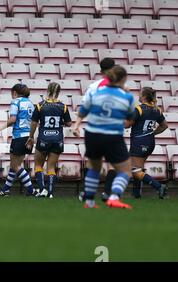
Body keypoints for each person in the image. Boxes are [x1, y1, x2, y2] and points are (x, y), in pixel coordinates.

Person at [72, 66, 135, 209]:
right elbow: (130, 116)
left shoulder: (95, 92)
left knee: (94, 167)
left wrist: (76, 125)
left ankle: (89, 202)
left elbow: (83, 110)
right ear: (123, 79)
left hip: (92, 134)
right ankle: (114, 197)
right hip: (112, 135)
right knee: (125, 171)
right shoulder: (127, 96)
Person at [27, 82, 72, 198]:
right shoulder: (64, 106)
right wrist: (61, 122)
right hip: (57, 139)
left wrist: (31, 136)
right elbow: (69, 123)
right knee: (51, 167)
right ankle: (51, 192)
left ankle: (42, 190)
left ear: (48, 90)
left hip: (43, 138)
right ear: (59, 92)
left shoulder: (40, 105)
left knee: (38, 165)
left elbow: (34, 123)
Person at [83, 57, 117, 201]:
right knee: (113, 163)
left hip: (95, 128)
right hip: (112, 128)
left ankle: (87, 195)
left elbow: (85, 106)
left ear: (100, 70)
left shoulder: (94, 86)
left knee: (92, 163)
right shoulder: (119, 86)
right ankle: (107, 193)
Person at [125, 87, 168, 199]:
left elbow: (127, 125)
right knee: (137, 168)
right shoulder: (157, 109)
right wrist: (152, 133)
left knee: (135, 170)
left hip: (139, 142)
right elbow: (164, 125)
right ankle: (136, 194)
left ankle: (159, 187)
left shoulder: (139, 109)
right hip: (150, 142)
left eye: (140, 94)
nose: (138, 96)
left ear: (144, 97)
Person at [0, 84, 35, 196]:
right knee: (14, 165)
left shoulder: (16, 102)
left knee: (16, 166)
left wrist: (0, 128)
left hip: (19, 136)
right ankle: (6, 190)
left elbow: (12, 119)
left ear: (15, 93)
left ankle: (32, 190)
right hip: (29, 136)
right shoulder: (31, 104)